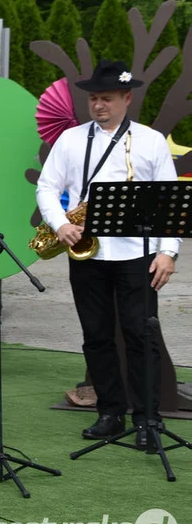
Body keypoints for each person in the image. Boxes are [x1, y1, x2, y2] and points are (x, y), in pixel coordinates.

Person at [36, 59, 179, 449]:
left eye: (108, 98)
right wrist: (61, 223)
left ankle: (148, 418)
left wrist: (168, 252)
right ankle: (110, 413)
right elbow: (47, 186)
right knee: (96, 336)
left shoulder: (150, 141)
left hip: (138, 254)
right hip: (87, 252)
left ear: (127, 98)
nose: (99, 105)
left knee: (140, 335)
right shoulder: (70, 139)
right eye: (94, 98)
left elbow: (167, 201)